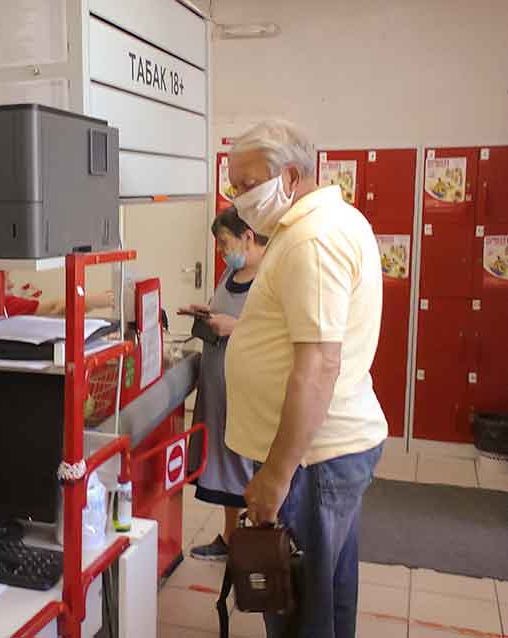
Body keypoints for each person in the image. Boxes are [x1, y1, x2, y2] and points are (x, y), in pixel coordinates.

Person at [224, 120, 387, 638]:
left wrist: (275, 475)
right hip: (321, 455)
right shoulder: (326, 224)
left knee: (298, 614)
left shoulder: (311, 240)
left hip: (309, 462)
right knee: (326, 601)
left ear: (289, 176)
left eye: (247, 185)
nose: (238, 199)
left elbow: (318, 365)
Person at [181, 207, 267, 561]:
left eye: (225, 243)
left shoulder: (270, 277)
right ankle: (231, 538)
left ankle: (258, 543)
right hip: (218, 382)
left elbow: (282, 334)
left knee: (248, 461)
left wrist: (236, 328)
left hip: (248, 386)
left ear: (248, 235)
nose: (221, 252)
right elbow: (226, 311)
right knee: (223, 457)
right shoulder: (231, 271)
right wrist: (208, 315)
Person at [0, 270, 113, 316]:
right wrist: (100, 300)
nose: (12, 284)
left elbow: (62, 311)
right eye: (7, 277)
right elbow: (55, 308)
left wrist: (91, 304)